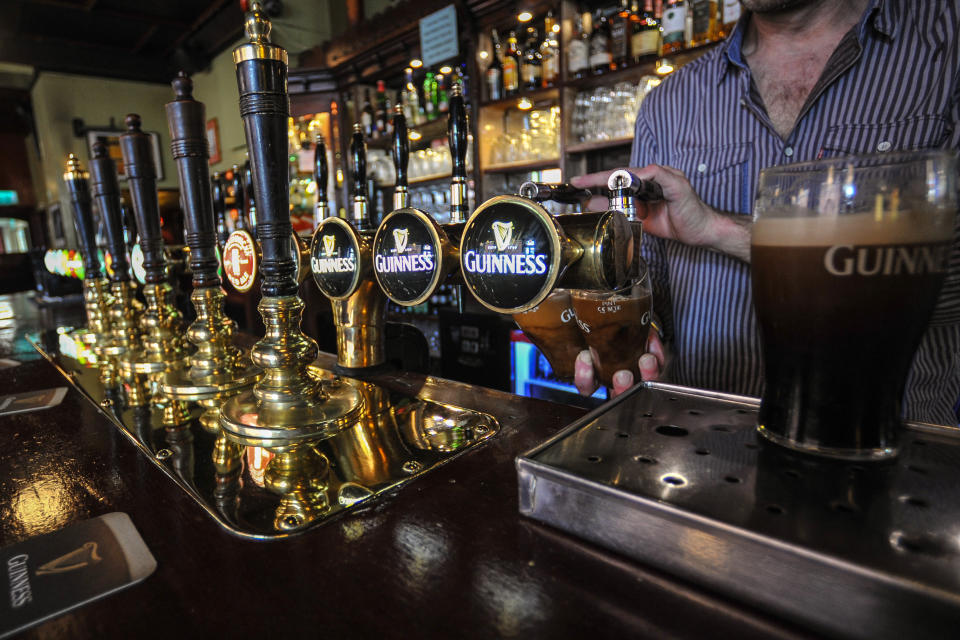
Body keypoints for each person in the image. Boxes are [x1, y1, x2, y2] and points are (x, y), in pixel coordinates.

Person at [571, 0, 960, 426]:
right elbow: (649, 280)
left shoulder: (945, 44)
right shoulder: (668, 105)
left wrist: (722, 229)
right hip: (702, 446)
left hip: (891, 447)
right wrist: (640, 334)